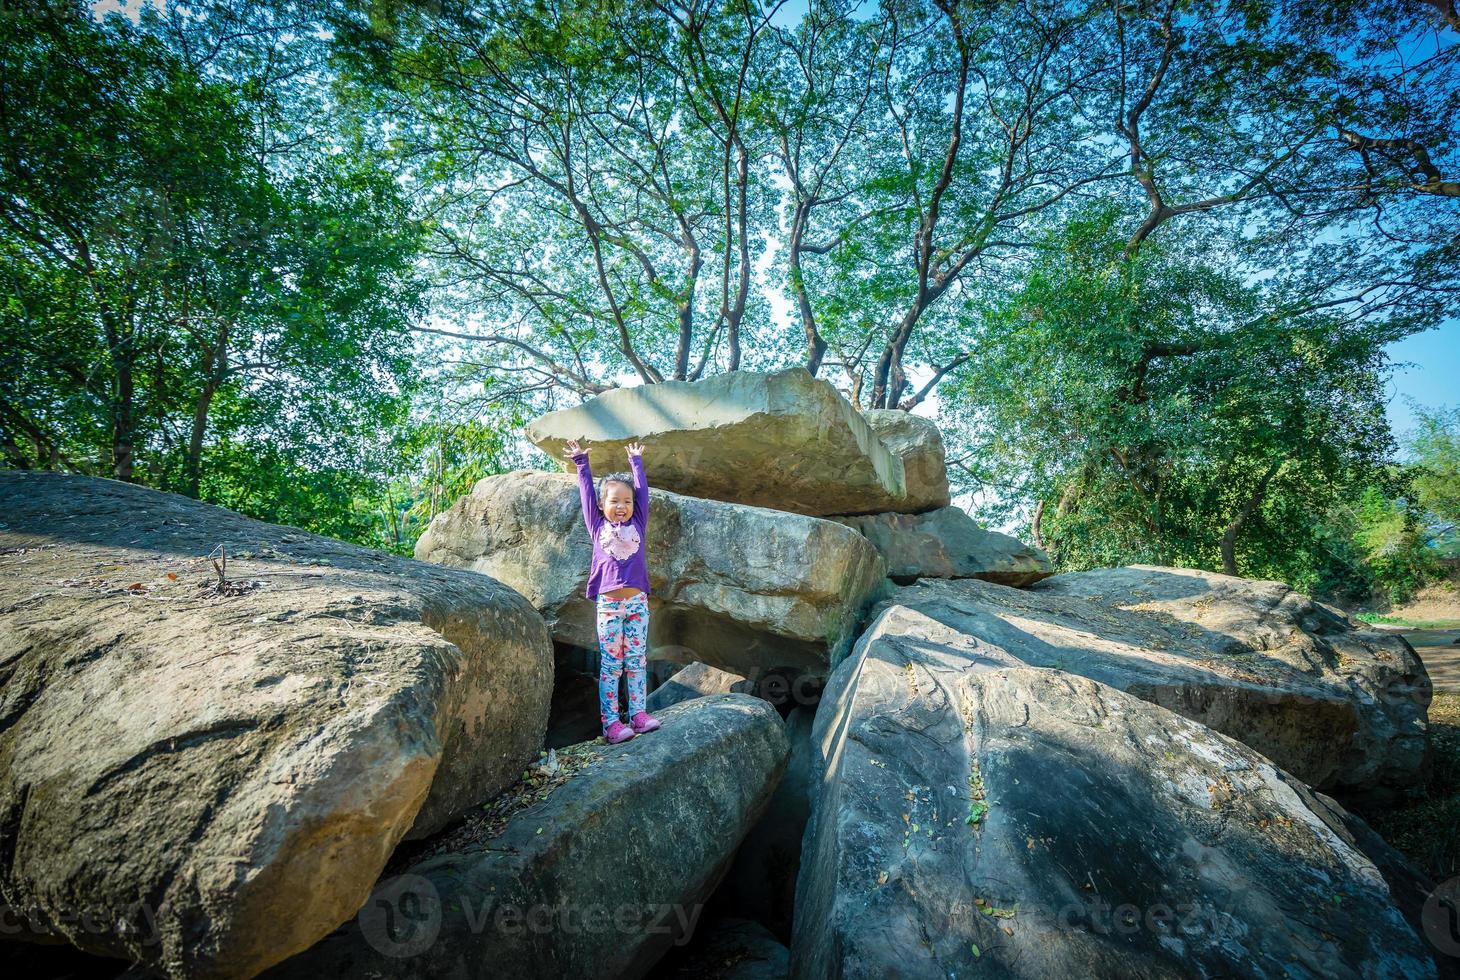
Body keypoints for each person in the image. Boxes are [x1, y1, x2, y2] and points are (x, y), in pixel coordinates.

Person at [564, 437, 662, 744]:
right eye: (614, 501)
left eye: (626, 501)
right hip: (608, 605)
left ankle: (639, 715)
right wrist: (581, 462)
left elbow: (643, 493)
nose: (621, 507)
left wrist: (636, 463)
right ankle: (611, 723)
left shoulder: (639, 522)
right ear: (602, 505)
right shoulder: (597, 526)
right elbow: (584, 493)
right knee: (611, 664)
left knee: (636, 661)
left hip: (637, 604)